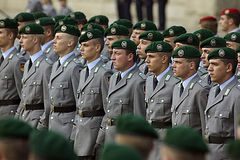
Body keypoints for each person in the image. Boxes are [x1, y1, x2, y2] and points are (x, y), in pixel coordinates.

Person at [95, 39, 146, 150]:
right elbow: (108, 112)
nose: (112, 57)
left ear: (130, 57)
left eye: (117, 54)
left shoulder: (138, 81)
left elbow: (139, 118)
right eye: (112, 53)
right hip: (110, 138)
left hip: (125, 142)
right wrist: (100, 139)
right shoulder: (114, 77)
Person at [73, 29, 113, 159]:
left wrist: (100, 138)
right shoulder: (84, 71)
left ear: (97, 47)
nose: (81, 49)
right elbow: (79, 105)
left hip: (93, 133)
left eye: (86, 45)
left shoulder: (104, 73)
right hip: (80, 130)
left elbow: (108, 109)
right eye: (81, 45)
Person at [144, 41, 180, 160]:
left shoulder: (175, 82)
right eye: (147, 56)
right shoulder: (149, 80)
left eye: (151, 57)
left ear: (164, 59)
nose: (146, 60)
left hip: (166, 137)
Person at [205, 47, 240, 160]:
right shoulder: (214, 90)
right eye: (209, 64)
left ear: (229, 67)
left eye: (215, 64)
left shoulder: (237, 94)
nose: (209, 69)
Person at [48, 24, 83, 138]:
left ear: (70, 43)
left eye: (58, 38)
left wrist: (74, 133)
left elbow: (80, 103)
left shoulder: (75, 67)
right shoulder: (55, 65)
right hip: (53, 123)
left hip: (66, 126)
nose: (53, 41)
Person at [16, 23, 53, 129]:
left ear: (35, 39)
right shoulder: (28, 63)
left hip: (36, 121)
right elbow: (24, 96)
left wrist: (42, 124)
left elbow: (48, 100)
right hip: (24, 118)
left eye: (25, 37)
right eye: (21, 37)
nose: (20, 41)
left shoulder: (46, 66)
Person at [171, 46, 210, 134]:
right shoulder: (177, 87)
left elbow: (205, 124)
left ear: (191, 65)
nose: (173, 66)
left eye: (178, 62)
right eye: (174, 62)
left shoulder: (201, 89)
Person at [0, 18, 26, 118]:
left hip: (9, 115)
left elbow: (23, 94)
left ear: (10, 35)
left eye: (0, 32)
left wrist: (17, 116)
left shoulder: (18, 61)